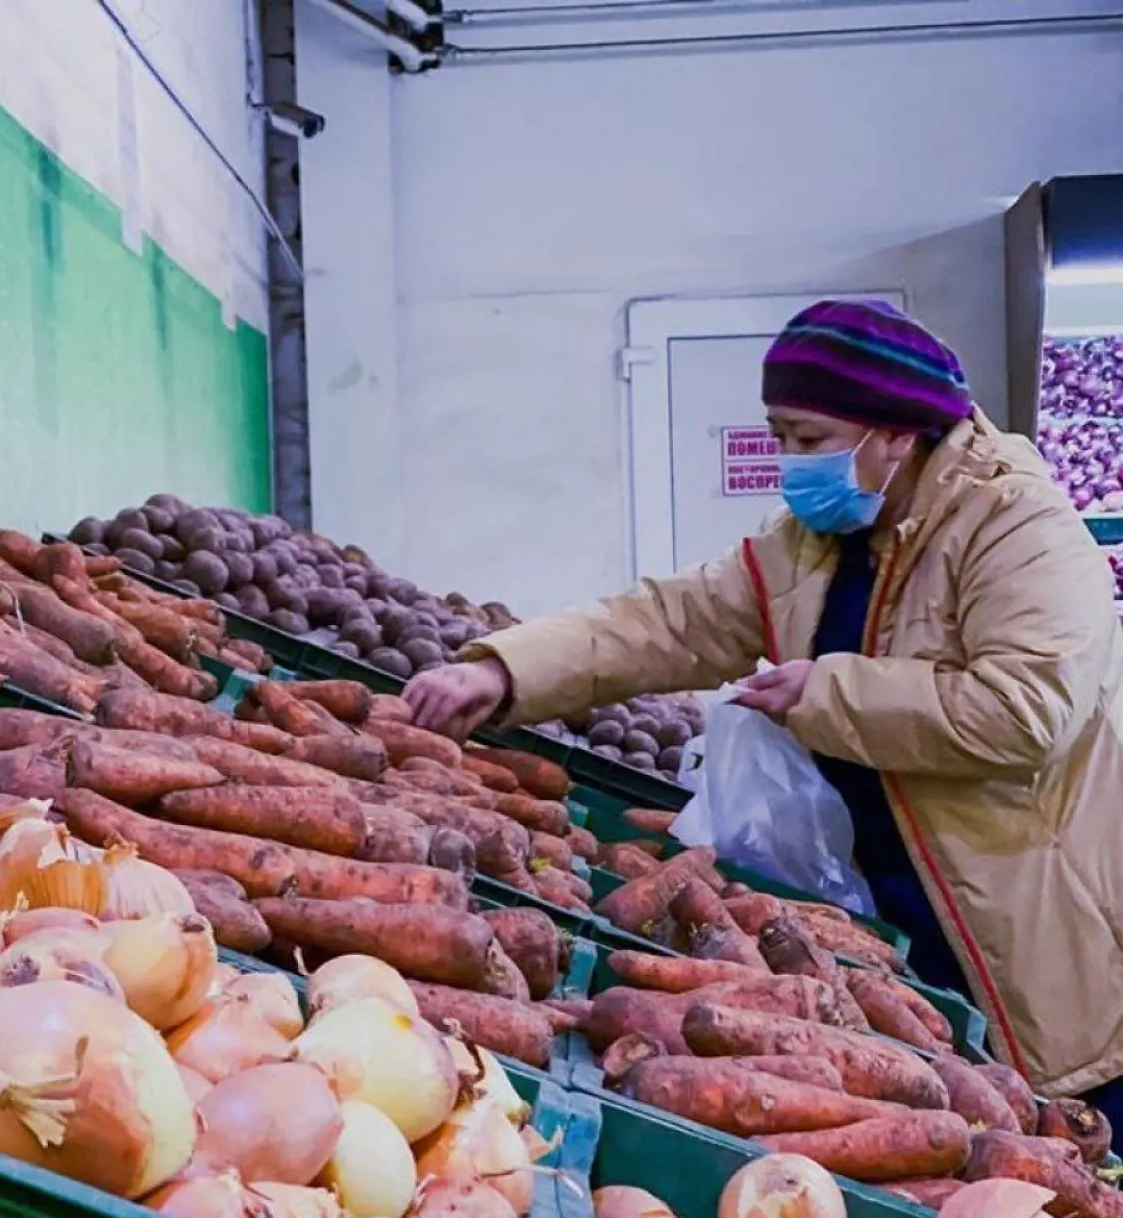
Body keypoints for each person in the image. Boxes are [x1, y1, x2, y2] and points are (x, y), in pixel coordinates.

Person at [406, 298, 1123, 1122]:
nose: (788, 461)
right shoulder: (815, 544)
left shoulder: (1017, 528)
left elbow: (1028, 711)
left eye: (808, 438)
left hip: (1043, 936)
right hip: (900, 917)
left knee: (1080, 1157)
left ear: (896, 432)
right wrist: (505, 670)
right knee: (964, 1123)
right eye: (778, 434)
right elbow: (667, 622)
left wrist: (825, 693)